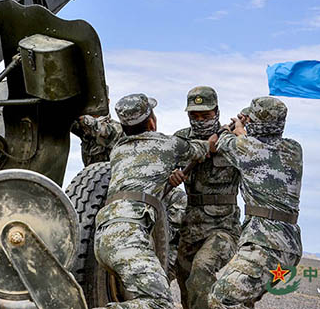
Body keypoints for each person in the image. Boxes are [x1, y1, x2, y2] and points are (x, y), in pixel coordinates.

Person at [90, 93, 215, 309]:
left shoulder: (118, 148)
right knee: (159, 303)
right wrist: (215, 141)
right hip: (129, 237)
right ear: (151, 120)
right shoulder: (168, 145)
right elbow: (202, 150)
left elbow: (143, 172)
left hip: (102, 238)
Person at [207, 97, 302, 308]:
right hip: (288, 245)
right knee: (242, 300)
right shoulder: (294, 149)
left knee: (221, 298)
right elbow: (260, 148)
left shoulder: (246, 147)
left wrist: (231, 127)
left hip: (265, 243)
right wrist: (245, 131)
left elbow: (219, 141)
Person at [169, 87, 241, 309]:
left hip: (223, 227)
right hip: (190, 226)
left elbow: (256, 164)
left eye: (206, 115)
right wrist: (171, 176)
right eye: (194, 116)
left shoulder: (231, 141)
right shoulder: (180, 139)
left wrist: (242, 136)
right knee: (187, 283)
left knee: (202, 269)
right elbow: (161, 173)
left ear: (216, 112)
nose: (200, 120)